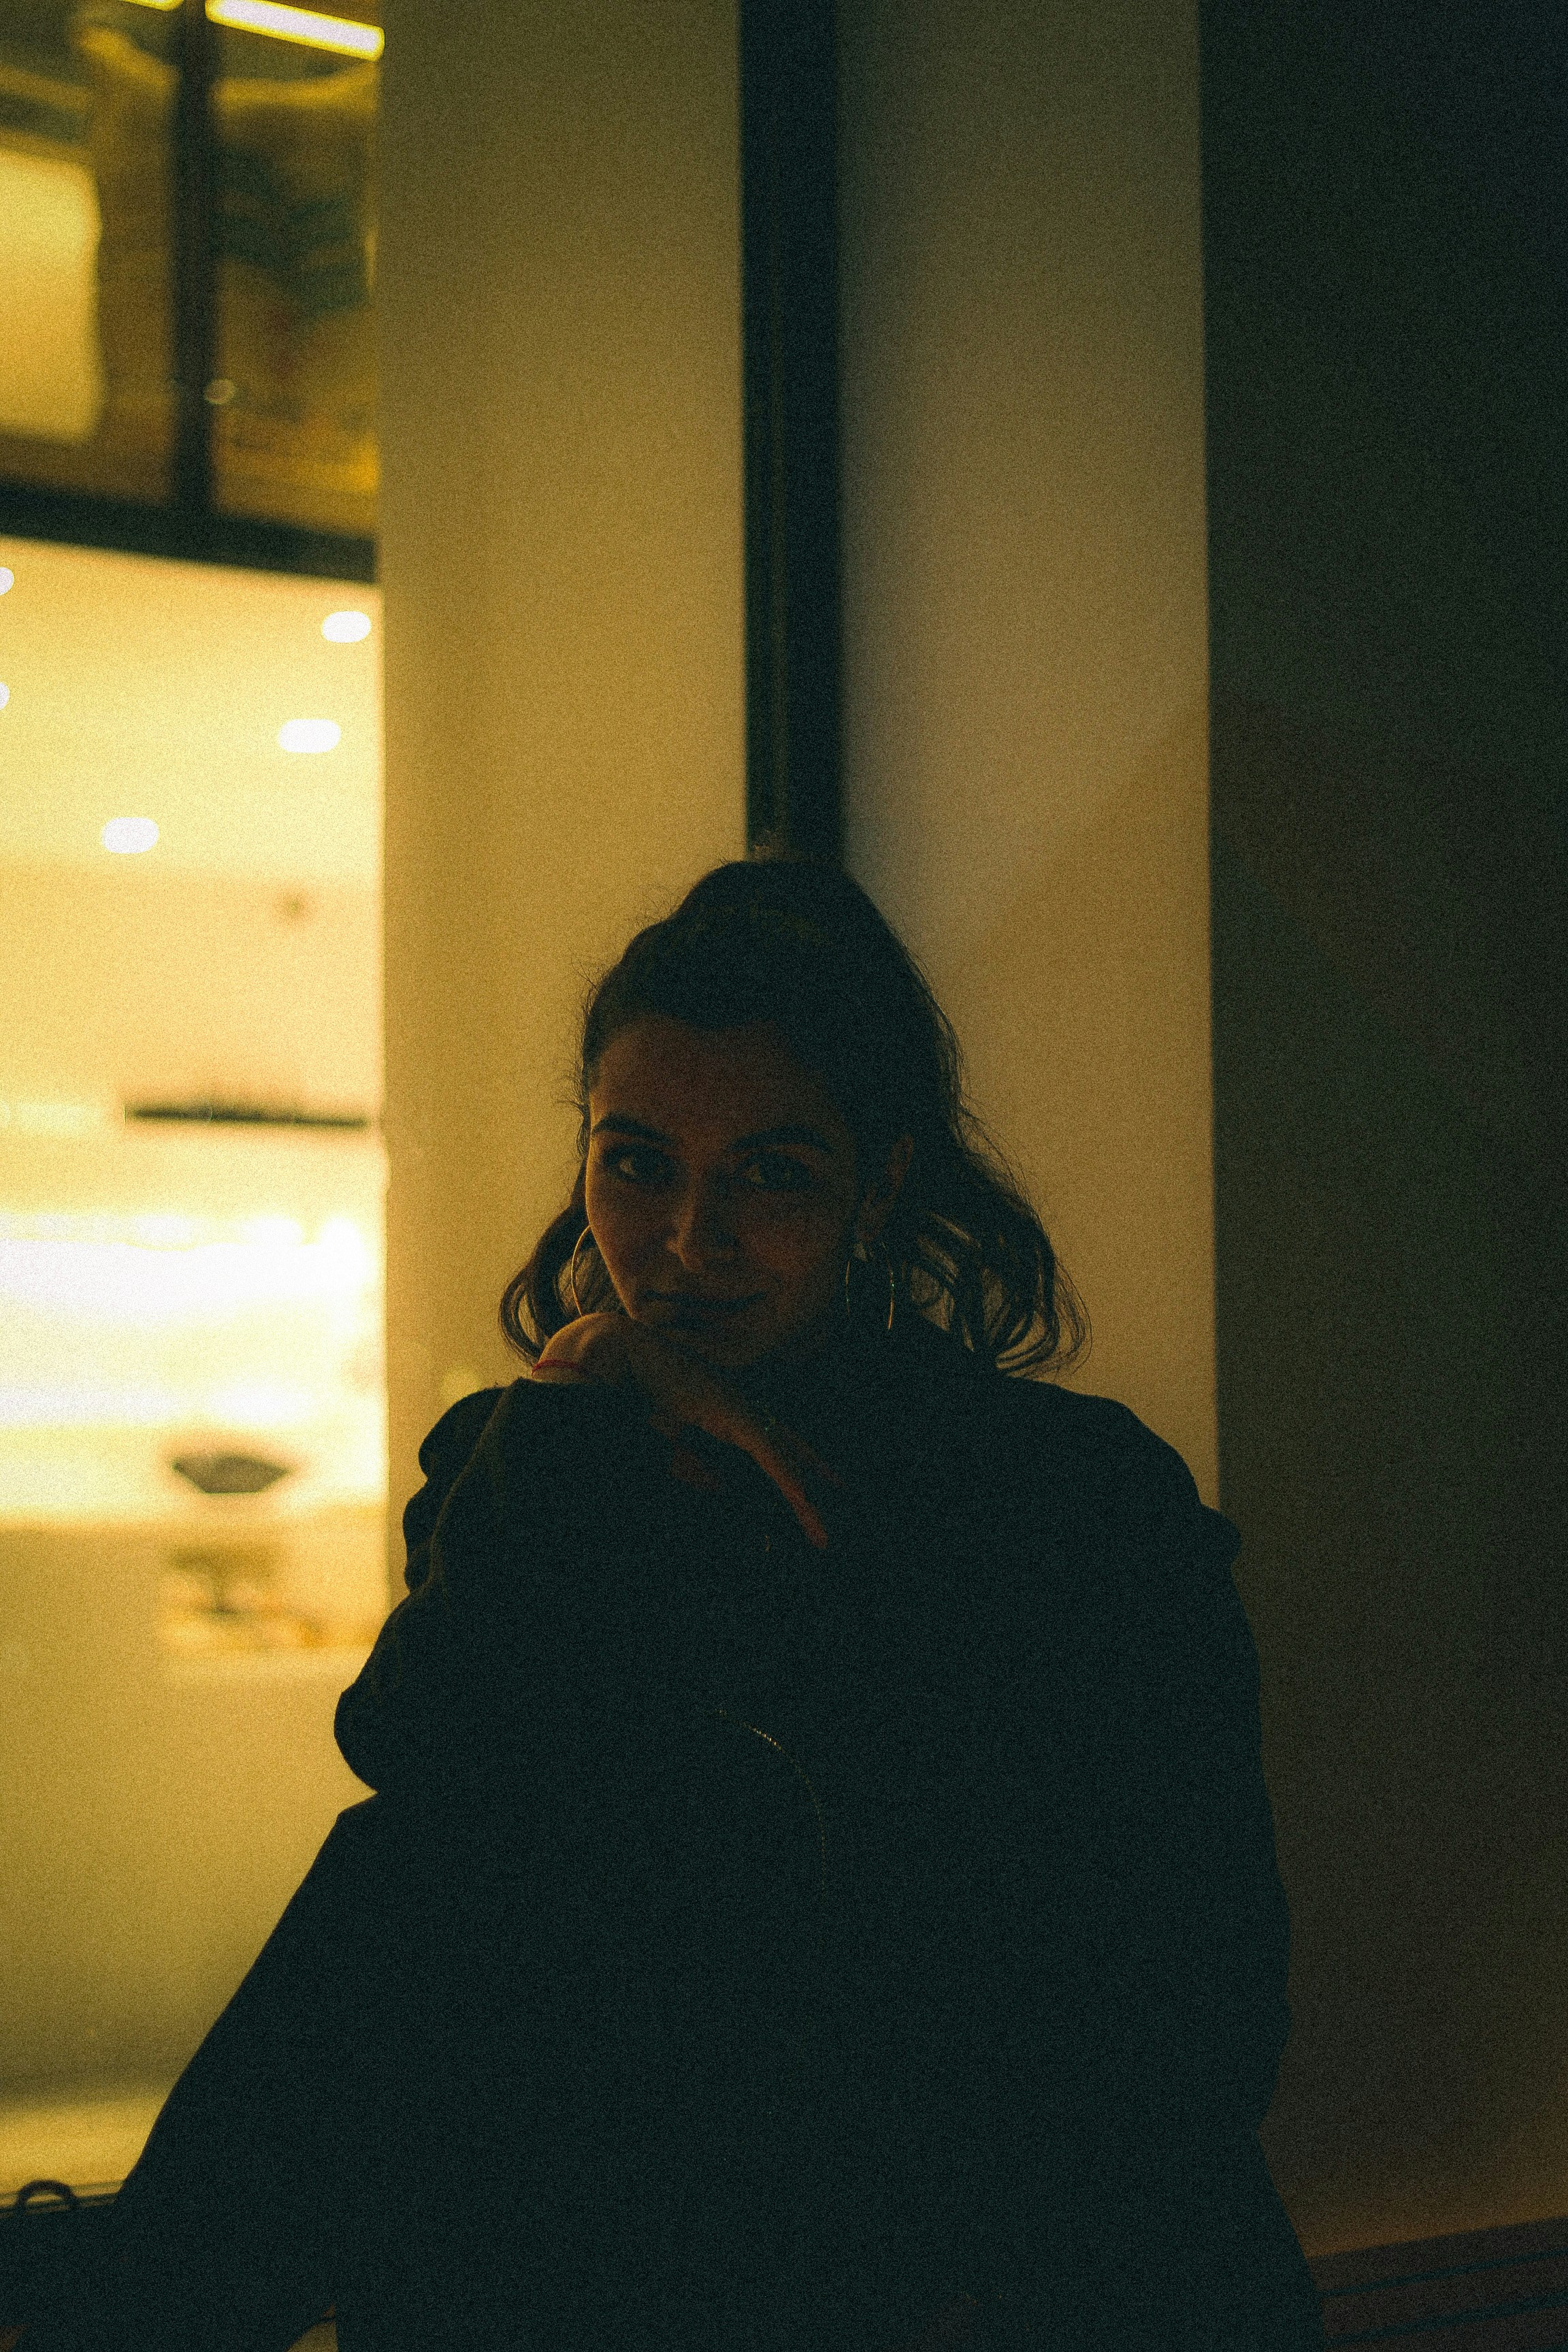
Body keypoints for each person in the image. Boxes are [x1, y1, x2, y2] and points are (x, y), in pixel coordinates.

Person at [19, 851, 1326, 2352]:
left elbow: (1199, 2010)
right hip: (639, 2196)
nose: (688, 1242)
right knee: (426, 1871)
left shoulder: (1061, 1495)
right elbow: (422, 1744)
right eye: (636, 1160)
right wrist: (585, 1389)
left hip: (964, 2193)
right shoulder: (550, 1460)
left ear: (880, 1180)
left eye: (769, 1172)